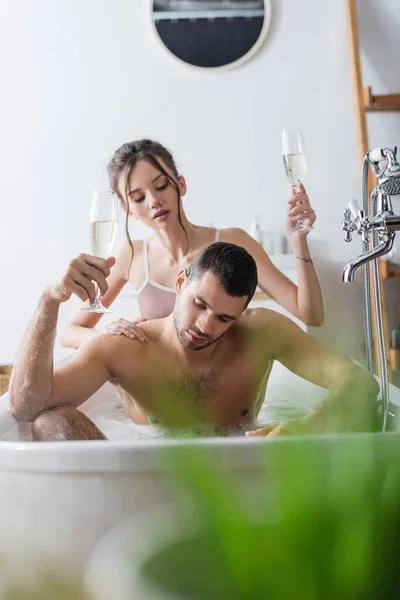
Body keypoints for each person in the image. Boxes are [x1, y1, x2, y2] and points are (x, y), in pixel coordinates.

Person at [9, 243, 376, 441]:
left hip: (240, 481)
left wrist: (311, 425)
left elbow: (358, 381)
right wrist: (49, 300)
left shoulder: (263, 334)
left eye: (224, 318)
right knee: (50, 424)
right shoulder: (123, 347)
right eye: (199, 304)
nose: (204, 325)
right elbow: (25, 406)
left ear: (243, 313)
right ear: (181, 281)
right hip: (144, 479)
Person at [60, 139, 324, 350]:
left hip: (224, 394)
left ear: (180, 184)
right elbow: (69, 333)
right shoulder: (132, 256)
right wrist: (109, 333)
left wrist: (299, 242)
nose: (153, 201)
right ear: (128, 209)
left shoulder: (232, 241)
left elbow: (311, 315)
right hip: (162, 396)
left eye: (161, 185)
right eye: (138, 197)